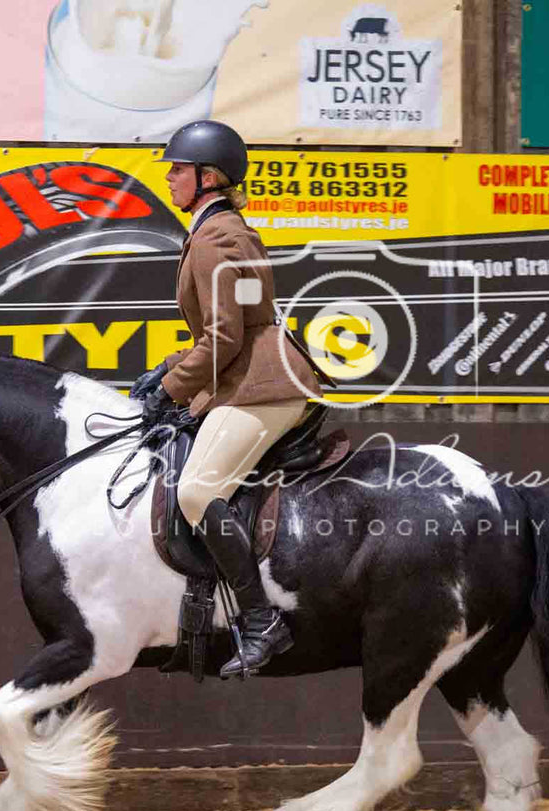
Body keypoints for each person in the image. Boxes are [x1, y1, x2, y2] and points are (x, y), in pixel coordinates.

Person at [132, 119, 322, 678]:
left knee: (195, 490)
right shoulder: (219, 230)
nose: (168, 178)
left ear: (208, 177)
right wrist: (166, 370)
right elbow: (232, 327)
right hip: (245, 376)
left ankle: (262, 622)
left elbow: (226, 337)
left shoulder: (217, 238)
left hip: (262, 386)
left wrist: (170, 388)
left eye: (178, 169)